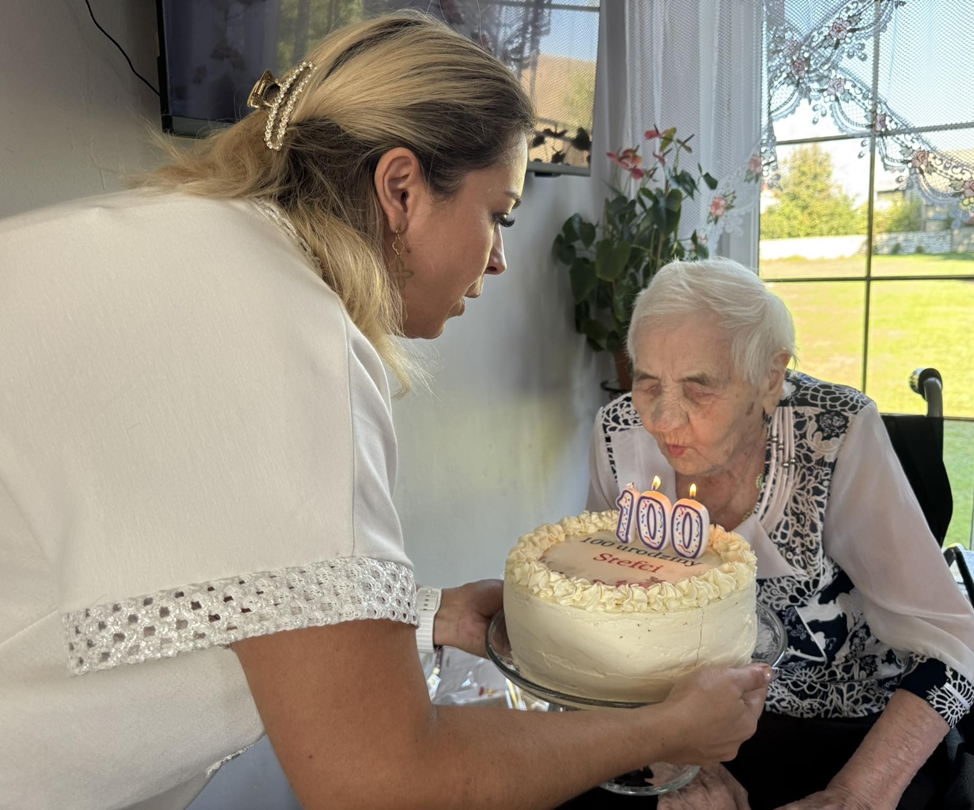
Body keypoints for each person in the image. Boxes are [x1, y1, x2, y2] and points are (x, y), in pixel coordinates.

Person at [0, 14, 774, 810]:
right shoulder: (284, 334)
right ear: (401, 189)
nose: (501, 258)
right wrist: (667, 728)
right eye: (499, 214)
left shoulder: (178, 246)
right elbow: (387, 780)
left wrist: (422, 614)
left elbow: (184, 571)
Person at [585, 259, 974, 810]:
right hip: (668, 717)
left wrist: (856, 795)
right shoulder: (619, 433)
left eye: (699, 388)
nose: (662, 418)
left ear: (770, 378)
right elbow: (607, 611)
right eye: (647, 382)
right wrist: (682, 759)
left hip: (844, 735)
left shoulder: (833, 434)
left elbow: (954, 646)